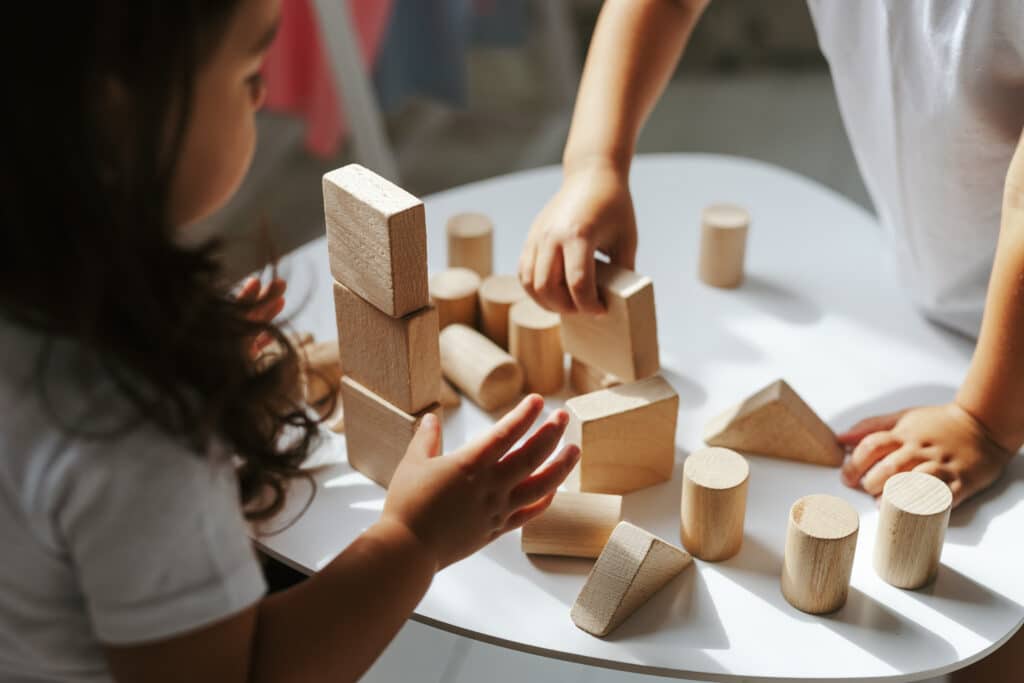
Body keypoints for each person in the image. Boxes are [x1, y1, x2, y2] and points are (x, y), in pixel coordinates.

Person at [0, 1, 579, 681]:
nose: (267, 94)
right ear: (113, 111)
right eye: (250, 73)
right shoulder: (141, 435)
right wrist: (413, 539)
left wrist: (192, 352)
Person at [519, 0, 1023, 677]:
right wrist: (594, 163)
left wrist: (985, 420)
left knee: (989, 625)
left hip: (1007, 350)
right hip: (951, 289)